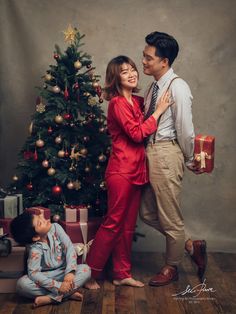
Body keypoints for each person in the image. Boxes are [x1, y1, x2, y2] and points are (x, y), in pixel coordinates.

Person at [85, 55, 171, 289]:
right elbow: (136, 134)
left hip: (137, 171)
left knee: (127, 226)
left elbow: (149, 108)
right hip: (121, 171)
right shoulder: (117, 104)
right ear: (115, 77)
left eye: (133, 69)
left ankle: (122, 273)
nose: (132, 73)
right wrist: (158, 112)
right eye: (125, 71)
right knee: (113, 223)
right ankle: (90, 273)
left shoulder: (136, 100)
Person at [139, 31, 207, 287]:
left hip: (165, 152)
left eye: (148, 58)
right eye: (144, 56)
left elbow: (185, 128)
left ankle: (172, 266)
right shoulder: (154, 86)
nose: (143, 61)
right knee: (147, 212)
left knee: (170, 216)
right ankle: (190, 245)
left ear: (164, 61)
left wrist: (190, 159)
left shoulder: (177, 86)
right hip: (150, 152)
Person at [10, 209, 91, 308]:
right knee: (21, 285)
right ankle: (66, 294)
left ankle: (50, 298)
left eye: (40, 217)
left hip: (63, 272)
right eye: (40, 223)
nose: (44, 219)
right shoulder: (35, 248)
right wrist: (57, 286)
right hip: (46, 277)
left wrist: (70, 273)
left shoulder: (56, 228)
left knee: (85, 269)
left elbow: (69, 248)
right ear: (35, 237)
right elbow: (33, 273)